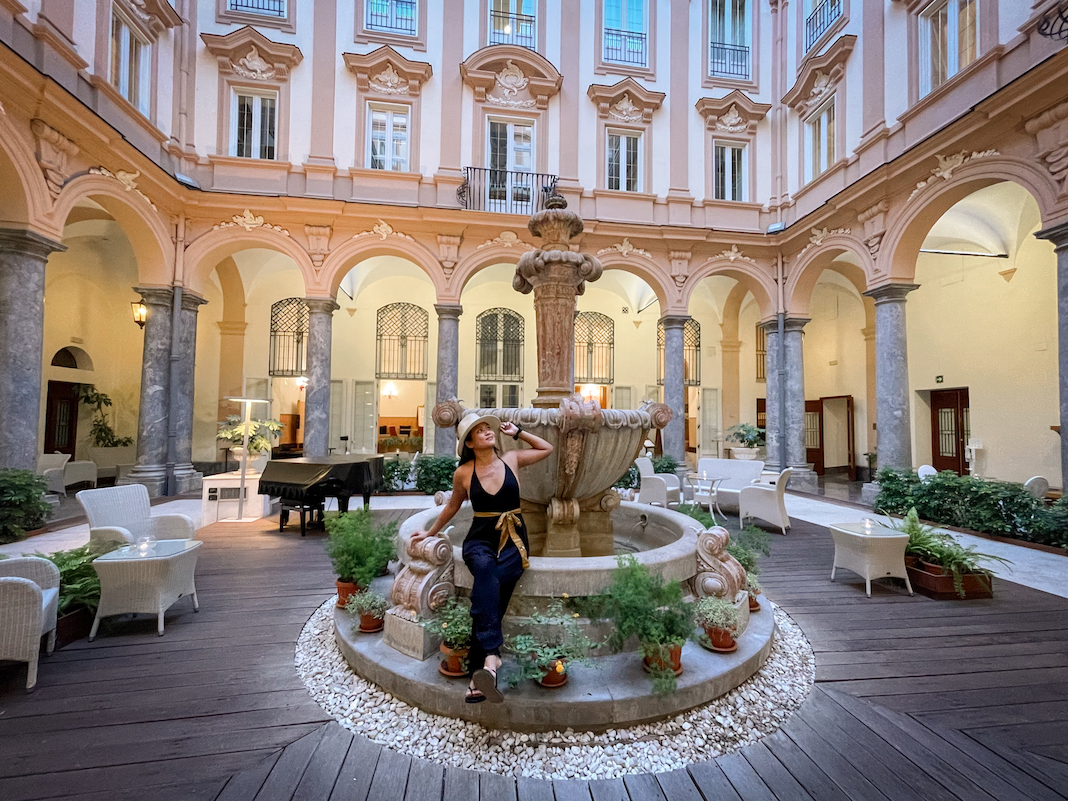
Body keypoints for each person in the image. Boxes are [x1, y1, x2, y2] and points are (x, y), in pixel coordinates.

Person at [411, 413, 553, 703]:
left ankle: (484, 670)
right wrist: (430, 532)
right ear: (470, 443)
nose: (488, 432)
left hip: (513, 540)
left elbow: (546, 449)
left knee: (488, 593)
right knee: (486, 570)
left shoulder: (511, 458)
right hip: (480, 539)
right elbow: (452, 507)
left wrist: (520, 432)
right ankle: (491, 658)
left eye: (489, 428)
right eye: (480, 431)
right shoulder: (464, 473)